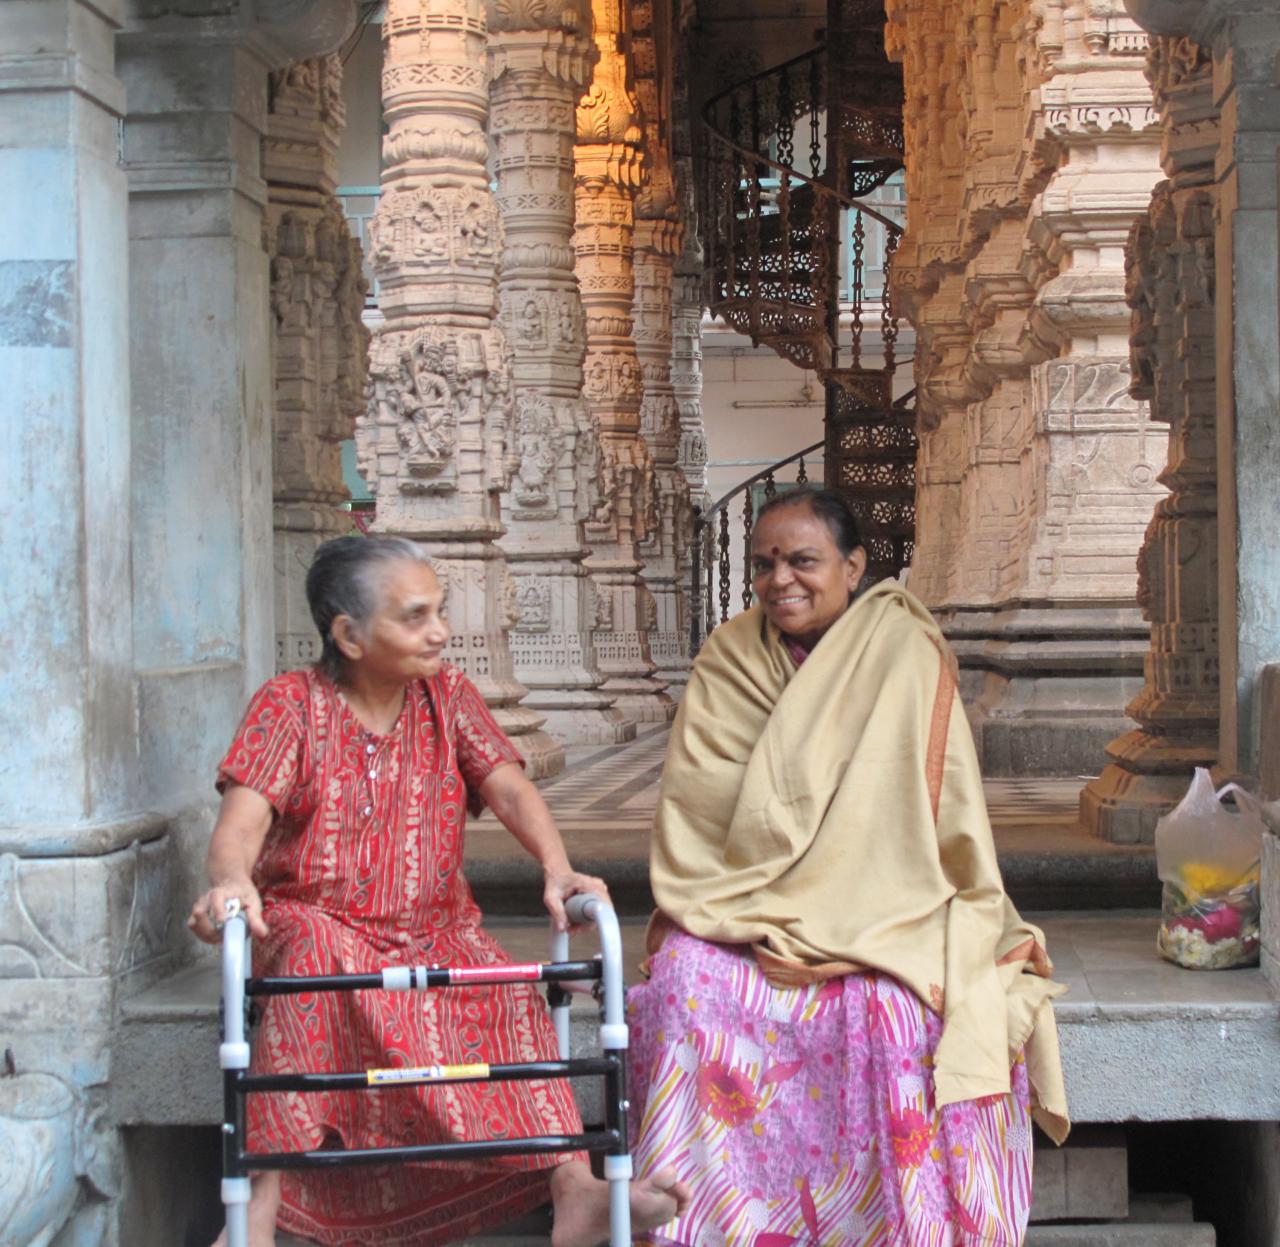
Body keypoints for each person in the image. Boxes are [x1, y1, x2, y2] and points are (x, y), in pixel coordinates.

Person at [188, 535, 687, 1247]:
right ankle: (256, 1217)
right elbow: (241, 821)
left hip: (436, 923)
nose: (441, 631)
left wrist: (556, 864)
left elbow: (508, 785)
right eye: (414, 616)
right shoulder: (289, 704)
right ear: (349, 634)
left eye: (440, 610)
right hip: (319, 918)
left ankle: (574, 1187)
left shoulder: (446, 694)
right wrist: (232, 880)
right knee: (312, 963)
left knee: (504, 980)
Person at [627, 489, 1069, 1245]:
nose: (780, 580)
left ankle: (892, 1223)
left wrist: (841, 889)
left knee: (894, 1008)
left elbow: (937, 812)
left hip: (887, 906)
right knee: (682, 983)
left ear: (854, 565)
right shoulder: (729, 657)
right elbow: (703, 808)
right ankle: (697, 1219)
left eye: (803, 560)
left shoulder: (902, 649)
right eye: (764, 564)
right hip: (747, 901)